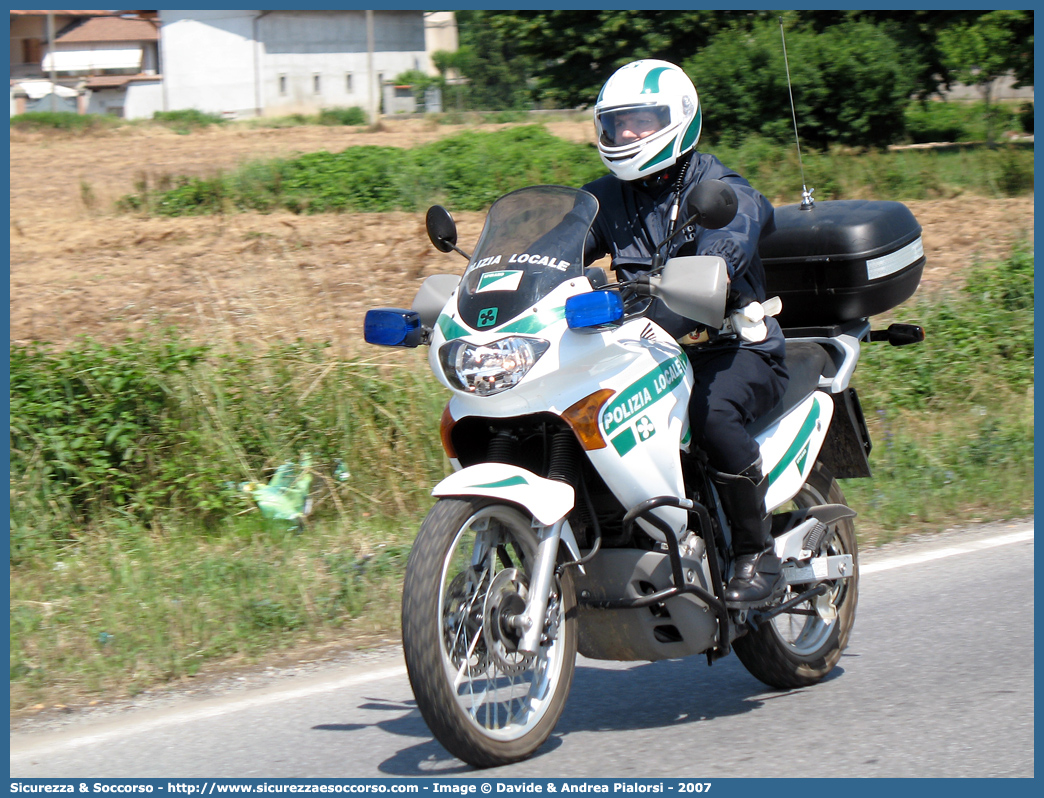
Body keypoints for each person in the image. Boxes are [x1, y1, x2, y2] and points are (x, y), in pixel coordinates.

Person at [581, 59, 789, 608]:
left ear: (679, 119)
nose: (626, 133)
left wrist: (710, 265)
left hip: (730, 349)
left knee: (709, 415)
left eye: (641, 121)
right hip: (645, 351)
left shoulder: (723, 189)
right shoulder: (605, 198)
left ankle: (756, 552)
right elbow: (557, 245)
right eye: (617, 122)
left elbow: (735, 235)